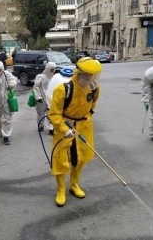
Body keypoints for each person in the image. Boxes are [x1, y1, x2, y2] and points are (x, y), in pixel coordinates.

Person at [48, 57, 102, 207]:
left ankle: (74, 185)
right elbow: (53, 114)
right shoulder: (63, 89)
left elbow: (93, 104)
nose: (89, 78)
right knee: (60, 159)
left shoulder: (94, 87)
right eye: (86, 74)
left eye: (92, 75)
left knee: (80, 157)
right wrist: (65, 129)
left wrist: (86, 118)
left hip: (84, 126)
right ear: (78, 72)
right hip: (64, 126)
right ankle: (61, 190)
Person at [33, 62, 56, 134]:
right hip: (41, 98)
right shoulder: (40, 77)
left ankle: (50, 128)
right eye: (51, 69)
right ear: (48, 69)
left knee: (50, 113)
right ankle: (40, 125)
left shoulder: (54, 77)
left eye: (54, 69)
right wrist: (38, 97)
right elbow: (36, 87)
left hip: (50, 98)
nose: (53, 71)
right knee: (41, 114)